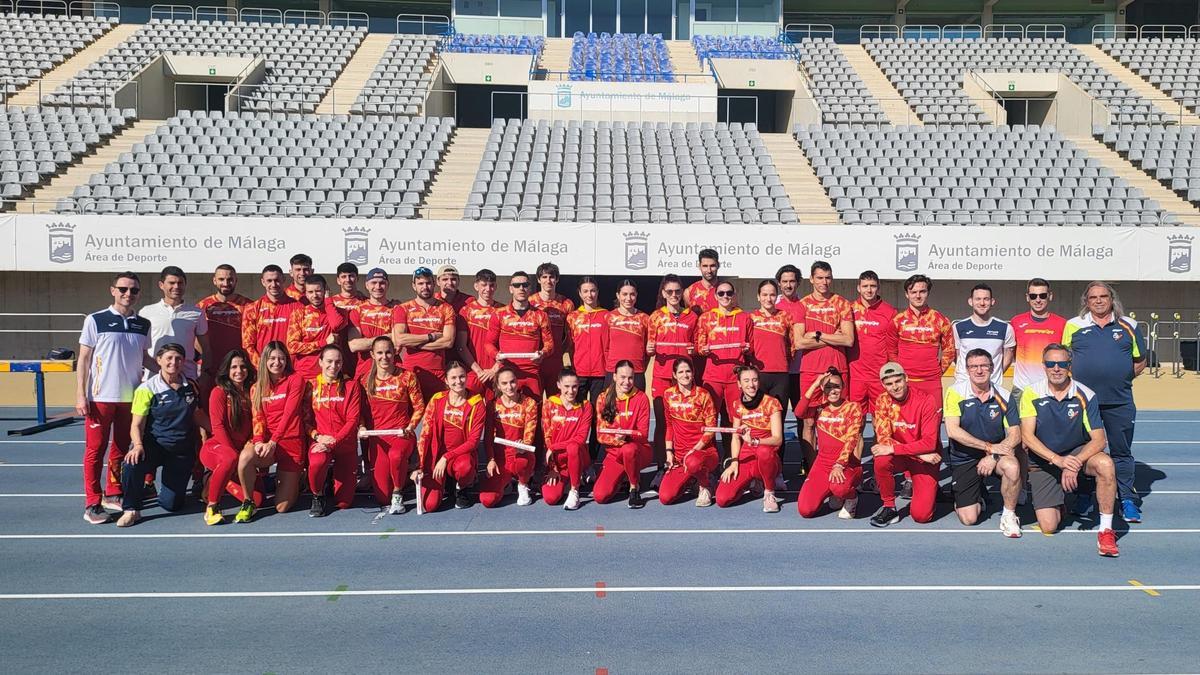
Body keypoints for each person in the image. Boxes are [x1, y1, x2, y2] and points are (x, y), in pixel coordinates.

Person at [1020, 344, 1120, 557]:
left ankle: (1106, 529)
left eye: (1062, 364)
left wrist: (1074, 462)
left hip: (1076, 454)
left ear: (1070, 366)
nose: (1057, 368)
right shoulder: (1031, 393)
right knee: (1049, 526)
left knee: (1105, 464)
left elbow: (1099, 440)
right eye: (1051, 364)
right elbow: (1027, 436)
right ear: (1044, 366)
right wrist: (1058, 461)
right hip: (1045, 459)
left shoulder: (1086, 394)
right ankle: (1062, 503)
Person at [1062, 281, 1147, 523]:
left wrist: (1119, 378)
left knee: (1121, 452)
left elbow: (1139, 361)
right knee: (1086, 451)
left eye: (1103, 296)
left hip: (1119, 401)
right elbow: (1063, 359)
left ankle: (1127, 499)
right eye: (1093, 297)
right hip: (1083, 403)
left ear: (1112, 299)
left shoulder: (1129, 325)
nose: (1098, 301)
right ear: (1086, 302)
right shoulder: (1073, 325)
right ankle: (1085, 496)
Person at [77, 272, 152, 524]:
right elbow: (84, 359)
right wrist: (81, 394)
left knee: (121, 449)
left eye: (133, 290)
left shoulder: (143, 324)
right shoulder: (95, 320)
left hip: (130, 398)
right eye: (123, 289)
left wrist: (179, 368)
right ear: (113, 290)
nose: (127, 294)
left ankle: (113, 491)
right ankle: (92, 502)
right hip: (100, 397)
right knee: (95, 450)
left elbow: (145, 358)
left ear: (139, 293)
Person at [116, 343, 206, 527]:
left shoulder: (192, 386)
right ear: (159, 361)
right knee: (132, 462)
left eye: (178, 358)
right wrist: (138, 445)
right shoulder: (147, 389)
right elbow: (136, 424)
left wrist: (222, 433)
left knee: (171, 505)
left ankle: (163, 492)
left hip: (180, 451)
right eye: (169, 358)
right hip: (153, 447)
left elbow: (198, 415)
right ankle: (131, 509)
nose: (174, 362)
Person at [944, 349, 1023, 537]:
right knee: (969, 519)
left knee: (1012, 466)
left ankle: (1009, 516)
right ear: (967, 370)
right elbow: (953, 431)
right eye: (974, 366)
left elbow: (1015, 435)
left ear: (992, 367)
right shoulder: (955, 393)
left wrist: (993, 455)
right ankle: (976, 492)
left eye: (984, 366)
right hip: (964, 458)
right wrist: (988, 447)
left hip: (994, 457)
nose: (979, 370)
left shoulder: (1004, 395)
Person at [794, 261, 855, 470]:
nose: (824, 282)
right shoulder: (802, 305)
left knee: (840, 422)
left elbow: (848, 340)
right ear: (811, 279)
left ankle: (841, 467)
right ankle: (814, 471)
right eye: (819, 277)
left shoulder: (842, 303)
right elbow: (799, 342)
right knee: (809, 423)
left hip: (837, 368)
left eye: (828, 277)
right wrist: (833, 337)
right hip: (810, 371)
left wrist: (818, 335)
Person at [869, 362, 944, 527]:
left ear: (906, 378)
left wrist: (912, 452)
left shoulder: (926, 400)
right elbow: (883, 439)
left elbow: (929, 443)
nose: (894, 387)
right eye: (889, 384)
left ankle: (931, 490)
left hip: (927, 458)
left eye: (898, 381)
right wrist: (917, 453)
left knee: (921, 516)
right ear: (883, 385)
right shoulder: (882, 401)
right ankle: (889, 507)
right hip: (914, 455)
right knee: (881, 458)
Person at [360, 336, 424, 514]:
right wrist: (362, 427)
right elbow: (360, 413)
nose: (384, 356)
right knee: (382, 496)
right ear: (372, 354)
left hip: (401, 435)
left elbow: (419, 407)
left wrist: (410, 428)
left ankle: (398, 493)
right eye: (379, 353)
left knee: (396, 456)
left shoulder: (407, 376)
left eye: (388, 352)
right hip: (378, 438)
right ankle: (407, 475)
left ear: (395, 352)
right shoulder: (365, 381)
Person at [795, 369, 864, 519]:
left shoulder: (853, 407)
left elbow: (852, 439)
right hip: (822, 464)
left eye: (837, 386)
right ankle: (833, 492)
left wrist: (839, 464)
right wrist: (814, 385)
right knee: (805, 510)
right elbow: (799, 412)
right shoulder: (819, 407)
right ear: (822, 388)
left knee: (840, 487)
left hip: (847, 464)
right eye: (828, 387)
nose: (833, 391)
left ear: (843, 387)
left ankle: (851, 498)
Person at [416, 362, 485, 512]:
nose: (458, 381)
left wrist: (446, 457)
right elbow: (425, 433)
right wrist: (420, 465)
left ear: (467, 378)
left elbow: (473, 442)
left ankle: (462, 487)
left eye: (461, 377)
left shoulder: (477, 403)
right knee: (430, 505)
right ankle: (446, 481)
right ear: (446, 381)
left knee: (464, 467)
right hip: (436, 456)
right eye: (453, 378)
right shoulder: (437, 399)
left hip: (460, 456)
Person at [199, 350, 258, 525]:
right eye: (234, 367)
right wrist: (235, 455)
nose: (239, 371)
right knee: (230, 457)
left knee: (257, 499)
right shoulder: (219, 392)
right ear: (227, 370)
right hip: (216, 449)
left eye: (242, 366)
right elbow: (217, 427)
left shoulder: (252, 391)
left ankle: (215, 481)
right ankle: (212, 507)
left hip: (239, 454)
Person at [716, 365, 785, 512]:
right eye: (746, 381)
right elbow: (735, 437)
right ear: (739, 384)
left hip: (767, 456)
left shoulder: (772, 403)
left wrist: (756, 441)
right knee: (722, 499)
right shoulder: (737, 405)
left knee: (763, 452)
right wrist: (734, 462)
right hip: (746, 456)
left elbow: (778, 439)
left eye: (754, 380)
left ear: (759, 382)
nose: (751, 385)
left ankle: (769, 491)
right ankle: (752, 482)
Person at [304, 345, 363, 517]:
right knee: (317, 463)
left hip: (344, 444)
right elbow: (305, 420)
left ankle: (330, 479)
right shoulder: (310, 386)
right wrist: (317, 436)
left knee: (344, 503)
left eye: (338, 362)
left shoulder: (351, 386)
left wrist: (335, 441)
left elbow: (353, 420)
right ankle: (318, 495)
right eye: (329, 361)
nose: (333, 366)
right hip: (320, 442)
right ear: (320, 362)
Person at [247, 341, 306, 514]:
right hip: (269, 445)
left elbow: (290, 414)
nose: (277, 362)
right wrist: (258, 441)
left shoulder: (295, 380)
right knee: (245, 457)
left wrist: (273, 441)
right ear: (264, 360)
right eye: (272, 358)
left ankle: (297, 478)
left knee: (282, 508)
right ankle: (247, 500)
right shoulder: (256, 387)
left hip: (291, 441)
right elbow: (257, 418)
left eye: (281, 358)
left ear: (287, 360)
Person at [647, 274, 698, 469]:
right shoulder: (656, 317)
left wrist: (695, 349)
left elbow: (697, 344)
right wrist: (649, 350)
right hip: (662, 377)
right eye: (670, 291)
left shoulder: (692, 316)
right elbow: (649, 347)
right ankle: (663, 465)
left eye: (677, 291)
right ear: (663, 293)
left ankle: (687, 462)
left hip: (684, 378)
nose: (674, 295)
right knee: (662, 423)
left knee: (686, 423)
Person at [696, 280, 753, 453]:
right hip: (713, 377)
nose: (725, 296)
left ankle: (732, 459)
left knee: (734, 420)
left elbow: (752, 346)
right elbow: (699, 346)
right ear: (715, 296)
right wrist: (703, 350)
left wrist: (748, 349)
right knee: (708, 420)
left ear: (734, 295)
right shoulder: (706, 318)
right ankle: (709, 459)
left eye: (729, 293)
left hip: (735, 380)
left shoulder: (744, 317)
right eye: (721, 293)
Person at [658, 358, 719, 507]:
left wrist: (694, 450)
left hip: (704, 453)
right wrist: (669, 453)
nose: (685, 375)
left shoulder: (703, 395)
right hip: (680, 457)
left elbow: (710, 429)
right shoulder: (668, 395)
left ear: (693, 374)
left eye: (688, 371)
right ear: (674, 375)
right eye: (681, 372)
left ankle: (705, 485)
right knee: (665, 497)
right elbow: (669, 425)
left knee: (693, 462)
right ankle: (691, 479)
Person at [593, 360, 652, 508]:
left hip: (638, 450)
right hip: (614, 454)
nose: (627, 382)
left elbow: (643, 434)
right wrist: (617, 440)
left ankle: (634, 487)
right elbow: (600, 435)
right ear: (614, 377)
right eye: (623, 377)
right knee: (600, 496)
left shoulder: (641, 398)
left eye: (630, 378)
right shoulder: (603, 398)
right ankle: (624, 474)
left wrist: (626, 437)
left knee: (629, 449)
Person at [486, 271, 554, 398]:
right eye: (517, 285)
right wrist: (495, 355)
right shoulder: (499, 314)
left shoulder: (540, 315)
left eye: (525, 284)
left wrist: (542, 354)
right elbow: (488, 343)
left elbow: (549, 344)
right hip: (506, 373)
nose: (521, 288)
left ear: (530, 288)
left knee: (533, 412)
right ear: (511, 289)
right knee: (504, 414)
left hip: (531, 373)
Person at [479, 367, 540, 508]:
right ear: (498, 386)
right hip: (501, 458)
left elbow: (529, 433)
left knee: (522, 462)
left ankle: (523, 484)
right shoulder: (492, 405)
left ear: (517, 382)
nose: (509, 386)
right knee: (487, 500)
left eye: (512, 382)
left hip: (521, 455)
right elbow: (488, 437)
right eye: (504, 383)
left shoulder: (529, 403)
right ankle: (507, 482)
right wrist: (490, 459)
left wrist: (523, 446)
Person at [890, 274, 954, 403]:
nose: (918, 296)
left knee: (933, 421)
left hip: (931, 382)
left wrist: (936, 371)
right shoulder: (897, 320)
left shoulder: (941, 320)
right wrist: (900, 373)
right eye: (913, 292)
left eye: (922, 291)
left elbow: (949, 350)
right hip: (905, 382)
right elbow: (891, 351)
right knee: (907, 422)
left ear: (928, 293)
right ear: (907, 294)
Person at [393, 266, 456, 397]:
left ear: (434, 284)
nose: (425, 287)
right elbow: (400, 339)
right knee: (413, 413)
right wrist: (430, 336)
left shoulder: (446, 308)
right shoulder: (402, 308)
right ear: (414, 286)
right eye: (420, 283)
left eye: (428, 283)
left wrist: (415, 344)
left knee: (436, 414)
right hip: (411, 370)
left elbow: (448, 342)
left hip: (438, 371)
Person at [139, 266, 209, 382]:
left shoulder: (197, 313)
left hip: (187, 377)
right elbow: (140, 349)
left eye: (180, 283)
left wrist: (204, 375)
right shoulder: (146, 312)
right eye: (171, 283)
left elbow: (206, 349)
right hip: (154, 378)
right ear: (161, 285)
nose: (176, 287)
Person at [566, 276, 609, 463]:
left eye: (593, 290)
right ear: (580, 293)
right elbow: (568, 345)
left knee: (598, 416)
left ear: (597, 292)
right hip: (579, 374)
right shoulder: (573, 317)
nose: (589, 294)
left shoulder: (607, 315)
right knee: (579, 416)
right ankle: (578, 456)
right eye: (585, 291)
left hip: (601, 374)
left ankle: (592, 458)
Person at [541, 368, 593, 510]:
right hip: (558, 462)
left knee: (573, 447)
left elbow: (581, 439)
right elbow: (547, 436)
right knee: (551, 498)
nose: (571, 391)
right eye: (567, 386)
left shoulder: (585, 406)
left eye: (575, 386)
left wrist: (553, 448)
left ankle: (574, 490)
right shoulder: (549, 404)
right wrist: (553, 467)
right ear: (558, 385)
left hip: (577, 455)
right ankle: (571, 478)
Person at [847, 270, 897, 413]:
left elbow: (894, 344)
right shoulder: (849, 309)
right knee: (856, 421)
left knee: (880, 420)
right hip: (855, 376)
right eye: (865, 286)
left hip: (879, 375)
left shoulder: (889, 312)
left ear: (878, 287)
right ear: (858, 288)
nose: (869, 290)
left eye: (873, 286)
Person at [952, 283, 1015, 388]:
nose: (982, 303)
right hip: (963, 386)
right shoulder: (958, 327)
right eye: (978, 299)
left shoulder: (1005, 328)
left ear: (992, 302)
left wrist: (995, 373)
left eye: (986, 299)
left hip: (993, 386)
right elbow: (957, 356)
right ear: (970, 301)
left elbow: (1009, 355)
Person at [1010, 277, 1067, 395]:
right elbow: (1011, 353)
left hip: (1050, 389)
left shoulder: (1062, 323)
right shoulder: (1016, 322)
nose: (1038, 300)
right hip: (1021, 389)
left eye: (1042, 295)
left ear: (1050, 296)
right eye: (1033, 296)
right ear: (1027, 297)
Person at [197, 264, 252, 382]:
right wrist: (206, 357)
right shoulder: (202, 306)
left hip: (238, 368)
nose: (226, 283)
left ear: (236, 281)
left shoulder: (249, 306)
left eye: (230, 279)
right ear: (214, 280)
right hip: (211, 367)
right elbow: (194, 337)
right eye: (221, 279)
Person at [287, 275, 347, 379]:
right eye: (310, 292)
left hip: (331, 373)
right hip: (305, 375)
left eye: (318, 291)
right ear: (305, 293)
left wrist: (328, 301)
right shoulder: (298, 314)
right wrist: (323, 343)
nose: (315, 295)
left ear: (325, 290)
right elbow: (292, 346)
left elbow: (337, 324)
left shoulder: (339, 312)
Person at [241, 264, 299, 367]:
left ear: (283, 280)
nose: (273, 284)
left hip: (290, 368)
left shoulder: (298, 307)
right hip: (263, 370)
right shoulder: (252, 309)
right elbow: (248, 345)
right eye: (269, 281)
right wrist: (262, 367)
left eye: (277, 280)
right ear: (263, 282)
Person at [747, 279, 793, 409]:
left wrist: (783, 361)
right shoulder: (750, 317)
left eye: (772, 295)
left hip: (780, 374)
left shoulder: (785, 316)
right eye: (764, 295)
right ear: (758, 297)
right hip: (758, 374)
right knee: (759, 417)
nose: (768, 298)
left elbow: (792, 345)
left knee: (778, 416)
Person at [530, 262, 574, 395]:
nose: (548, 280)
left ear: (557, 279)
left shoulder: (566, 304)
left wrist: (562, 351)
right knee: (534, 400)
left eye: (552, 277)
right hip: (535, 360)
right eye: (544, 277)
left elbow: (570, 334)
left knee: (555, 400)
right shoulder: (530, 302)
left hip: (556, 361)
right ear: (538, 279)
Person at [347, 268, 400, 379]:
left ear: (388, 285)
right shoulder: (357, 311)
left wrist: (367, 342)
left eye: (382, 283)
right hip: (365, 371)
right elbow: (353, 345)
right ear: (366, 285)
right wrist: (387, 338)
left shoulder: (397, 309)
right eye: (373, 283)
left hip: (392, 371)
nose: (378, 287)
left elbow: (398, 341)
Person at [604, 279, 651, 389]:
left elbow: (647, 349)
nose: (628, 298)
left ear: (636, 295)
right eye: (624, 294)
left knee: (636, 405)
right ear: (618, 295)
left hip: (637, 371)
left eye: (632, 294)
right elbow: (605, 347)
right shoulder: (608, 317)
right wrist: (611, 366)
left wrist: (641, 367)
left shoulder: (645, 318)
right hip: (613, 371)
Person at [773, 264, 806, 409]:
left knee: (802, 416)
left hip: (801, 370)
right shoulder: (772, 305)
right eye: (784, 281)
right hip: (779, 371)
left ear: (798, 283)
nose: (788, 285)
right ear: (779, 283)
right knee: (778, 415)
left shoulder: (805, 306)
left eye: (792, 281)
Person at [684, 248, 721, 315]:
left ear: (718, 265)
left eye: (712, 266)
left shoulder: (726, 292)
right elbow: (687, 320)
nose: (709, 270)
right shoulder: (689, 292)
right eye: (705, 266)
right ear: (699, 266)